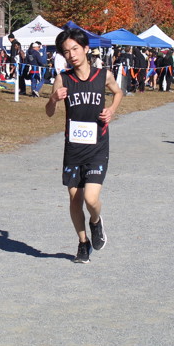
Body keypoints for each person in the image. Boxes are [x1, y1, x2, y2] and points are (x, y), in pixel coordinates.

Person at [45, 28, 124, 264]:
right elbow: (49, 112)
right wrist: (53, 99)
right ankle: (82, 243)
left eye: (75, 49)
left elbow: (118, 92)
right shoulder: (63, 78)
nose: (72, 55)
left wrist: (111, 110)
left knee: (91, 198)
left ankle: (96, 222)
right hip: (73, 149)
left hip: (97, 146)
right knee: (74, 199)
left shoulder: (103, 75)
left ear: (86, 49)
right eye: (66, 52)